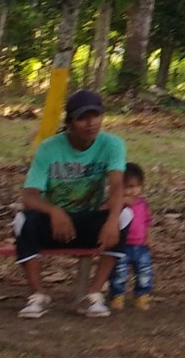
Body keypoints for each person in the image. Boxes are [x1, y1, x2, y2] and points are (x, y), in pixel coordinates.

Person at [14, 87, 125, 320]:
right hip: (56, 227)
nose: (91, 123)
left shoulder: (112, 145)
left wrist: (112, 220)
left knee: (125, 217)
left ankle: (93, 295)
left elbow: (117, 186)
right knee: (23, 220)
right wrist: (54, 211)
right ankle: (37, 295)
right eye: (82, 118)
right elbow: (29, 196)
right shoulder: (48, 148)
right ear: (70, 122)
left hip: (88, 222)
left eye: (95, 116)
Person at [107, 161, 154, 311]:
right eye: (126, 187)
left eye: (134, 187)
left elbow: (147, 222)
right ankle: (117, 295)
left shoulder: (142, 204)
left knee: (144, 271)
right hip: (122, 245)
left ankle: (142, 295)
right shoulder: (116, 204)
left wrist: (148, 237)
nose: (130, 191)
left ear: (141, 187)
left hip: (140, 246)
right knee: (119, 272)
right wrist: (120, 202)